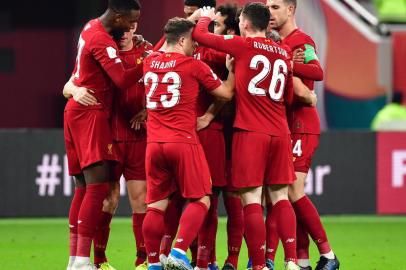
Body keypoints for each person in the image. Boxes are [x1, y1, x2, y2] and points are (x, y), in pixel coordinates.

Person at [193, 3, 300, 270]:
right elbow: (288, 97)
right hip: (280, 132)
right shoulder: (284, 53)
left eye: (240, 20)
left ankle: (259, 266)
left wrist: (205, 18)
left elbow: (201, 36)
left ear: (246, 24)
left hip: (251, 133)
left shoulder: (242, 46)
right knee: (280, 198)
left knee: (251, 200)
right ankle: (291, 261)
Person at [141, 17, 236, 270]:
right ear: (182, 40)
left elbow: (161, 46)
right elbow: (226, 94)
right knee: (202, 199)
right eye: (193, 41)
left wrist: (192, 21)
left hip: (154, 144)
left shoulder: (149, 62)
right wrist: (233, 69)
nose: (196, 47)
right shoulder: (193, 66)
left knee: (156, 206)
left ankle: (153, 264)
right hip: (183, 141)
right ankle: (179, 252)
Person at [62, 0, 143, 269]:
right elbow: (121, 79)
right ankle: (84, 260)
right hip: (91, 113)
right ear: (117, 16)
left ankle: (75, 259)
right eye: (130, 20)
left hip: (76, 111)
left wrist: (72, 89)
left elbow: (75, 77)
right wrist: (148, 61)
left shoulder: (91, 27)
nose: (132, 26)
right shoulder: (101, 40)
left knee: (83, 188)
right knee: (97, 187)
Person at [266, 1, 339, 270]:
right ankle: (303, 260)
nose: (270, 12)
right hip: (281, 127)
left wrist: (288, 63)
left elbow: (317, 71)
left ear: (290, 10)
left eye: (275, 6)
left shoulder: (302, 41)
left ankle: (328, 255)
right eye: (266, 7)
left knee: (291, 191)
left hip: (302, 125)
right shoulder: (271, 43)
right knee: (282, 196)